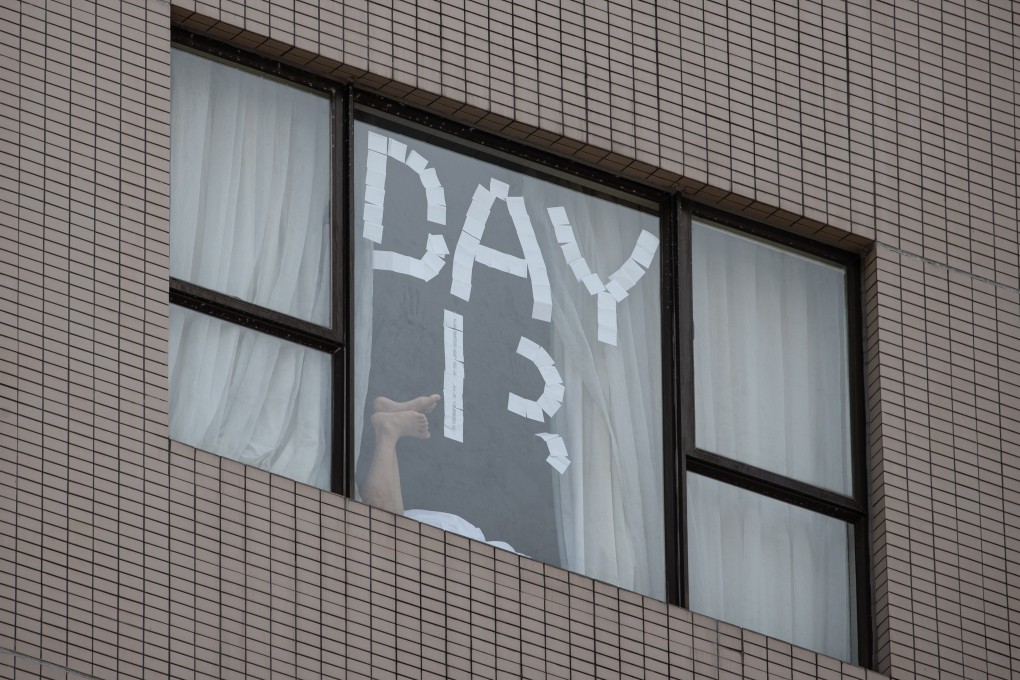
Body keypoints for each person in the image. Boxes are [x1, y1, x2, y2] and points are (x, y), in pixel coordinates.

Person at [362, 394, 517, 552]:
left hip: (454, 534)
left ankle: (389, 419)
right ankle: (388, 432)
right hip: (455, 545)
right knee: (386, 535)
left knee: (391, 526)